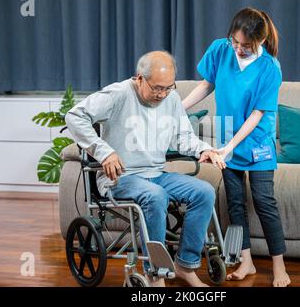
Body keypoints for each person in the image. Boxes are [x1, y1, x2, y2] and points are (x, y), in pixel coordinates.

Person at [65, 51, 226, 287]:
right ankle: (156, 273)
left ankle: (185, 266)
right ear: (139, 78)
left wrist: (205, 149)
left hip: (156, 175)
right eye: (157, 88)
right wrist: (104, 152)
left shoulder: (170, 99)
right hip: (120, 177)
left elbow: (183, 136)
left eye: (168, 88)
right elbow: (74, 116)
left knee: (204, 192)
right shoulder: (118, 94)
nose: (162, 95)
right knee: (155, 195)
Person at [182, 8, 291, 287]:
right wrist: (178, 108)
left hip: (256, 143)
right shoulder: (221, 49)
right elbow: (207, 85)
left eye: (246, 46)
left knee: (265, 203)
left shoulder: (270, 68)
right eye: (236, 42)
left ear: (261, 41)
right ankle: (247, 262)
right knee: (234, 205)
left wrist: (227, 148)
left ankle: (280, 267)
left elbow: (257, 116)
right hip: (226, 144)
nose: (239, 49)